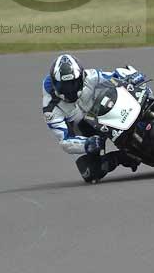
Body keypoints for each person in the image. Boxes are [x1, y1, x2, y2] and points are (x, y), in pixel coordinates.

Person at [42, 52, 144, 183]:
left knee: (135, 90)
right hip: (82, 132)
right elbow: (65, 141)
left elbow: (113, 75)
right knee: (90, 173)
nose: (69, 90)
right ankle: (121, 157)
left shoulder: (90, 76)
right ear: (55, 84)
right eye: (64, 86)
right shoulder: (50, 108)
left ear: (81, 77)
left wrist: (131, 75)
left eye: (73, 83)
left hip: (102, 112)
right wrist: (86, 144)